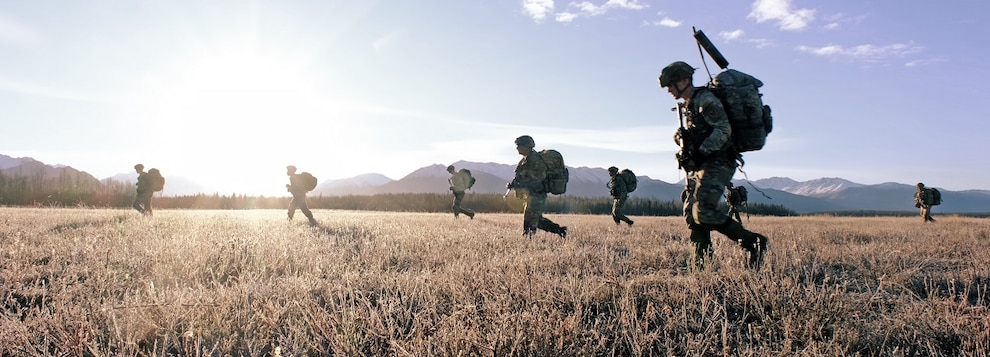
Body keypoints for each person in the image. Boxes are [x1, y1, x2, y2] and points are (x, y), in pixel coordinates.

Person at [659, 61, 768, 269]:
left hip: (719, 161)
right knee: (692, 214)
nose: (670, 90)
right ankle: (700, 265)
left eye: (672, 85)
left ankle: (753, 242)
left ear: (684, 80)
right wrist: (681, 139)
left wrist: (700, 153)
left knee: (704, 212)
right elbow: (699, 133)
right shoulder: (690, 105)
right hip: (703, 163)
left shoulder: (706, 100)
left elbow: (723, 130)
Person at [508, 135, 567, 238]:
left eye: (519, 145)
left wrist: (524, 182)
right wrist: (515, 184)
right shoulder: (525, 160)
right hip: (531, 195)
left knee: (531, 218)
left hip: (537, 194)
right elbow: (521, 176)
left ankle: (528, 237)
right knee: (537, 219)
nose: (517, 148)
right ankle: (560, 230)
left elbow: (540, 176)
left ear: (526, 146)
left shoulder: (535, 160)